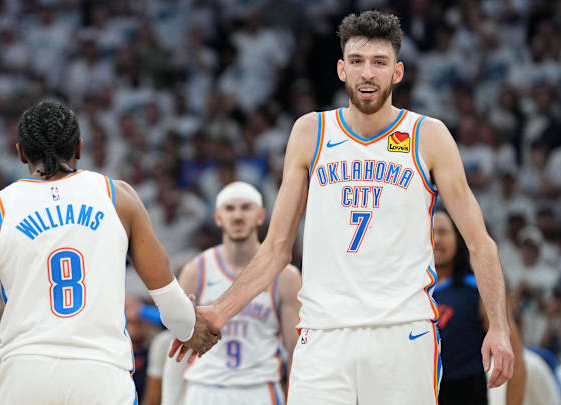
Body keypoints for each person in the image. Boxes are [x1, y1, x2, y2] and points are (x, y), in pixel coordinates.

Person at [173, 10, 515, 404]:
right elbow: (277, 249)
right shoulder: (310, 131)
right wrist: (220, 311)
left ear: (397, 72)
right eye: (357, 61)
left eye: (379, 63)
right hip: (324, 334)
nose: (367, 73)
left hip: (402, 332)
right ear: (340, 69)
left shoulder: (428, 135)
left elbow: (479, 243)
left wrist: (499, 328)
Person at [0, 101, 220, 405]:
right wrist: (189, 328)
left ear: (20, 152)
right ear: (79, 148)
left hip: (26, 375)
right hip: (100, 374)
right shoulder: (118, 197)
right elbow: (167, 297)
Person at [164, 182, 302, 404]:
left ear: (261, 216)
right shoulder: (195, 271)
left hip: (259, 388)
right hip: (203, 388)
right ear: (218, 217)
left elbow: (295, 350)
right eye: (230, 209)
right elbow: (178, 349)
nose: (238, 215)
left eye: (246, 207)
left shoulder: (286, 277)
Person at [432, 210, 526, 405]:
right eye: (430, 232)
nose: (436, 239)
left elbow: (515, 361)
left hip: (467, 394)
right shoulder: (411, 291)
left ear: (458, 236)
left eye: (443, 232)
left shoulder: (481, 290)